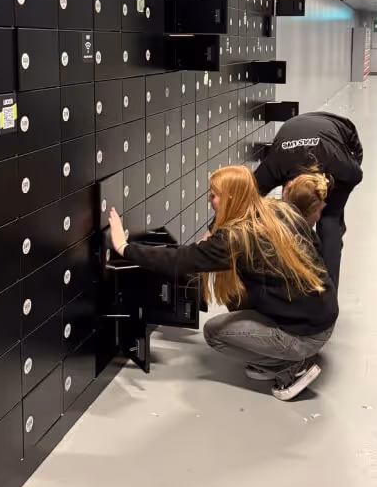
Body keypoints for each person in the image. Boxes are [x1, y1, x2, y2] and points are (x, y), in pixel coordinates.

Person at [108, 165, 338, 400]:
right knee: (235, 296)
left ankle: (291, 368)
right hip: (321, 315)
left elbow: (180, 259)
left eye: (214, 195)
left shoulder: (235, 238)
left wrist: (125, 248)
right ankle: (281, 354)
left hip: (306, 334)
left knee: (215, 333)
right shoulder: (279, 209)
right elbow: (315, 247)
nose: (209, 200)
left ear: (230, 198)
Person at [254, 111, 363, 287]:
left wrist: (333, 203)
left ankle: (327, 293)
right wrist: (213, 229)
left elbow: (356, 173)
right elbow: (243, 198)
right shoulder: (274, 166)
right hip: (293, 129)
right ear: (285, 190)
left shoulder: (343, 168)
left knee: (330, 224)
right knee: (287, 223)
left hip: (342, 133)